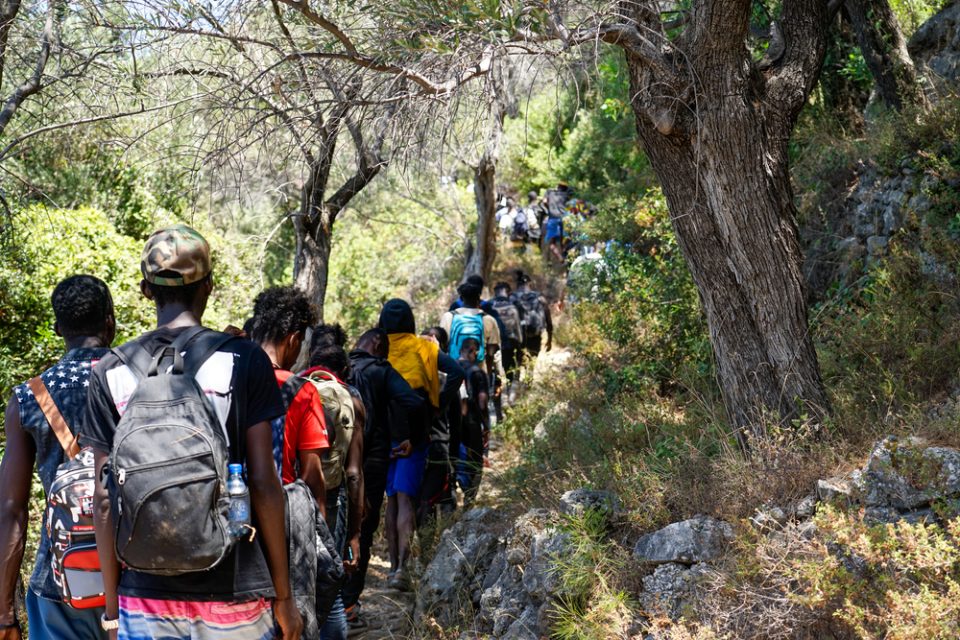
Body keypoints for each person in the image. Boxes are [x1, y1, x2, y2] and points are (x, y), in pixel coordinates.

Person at [80, 225, 301, 640]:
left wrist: (112, 609)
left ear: (146, 289)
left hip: (143, 593)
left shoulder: (110, 370)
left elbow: (104, 500)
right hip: (234, 588)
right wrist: (284, 596)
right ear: (209, 287)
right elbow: (264, 483)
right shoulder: (244, 359)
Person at [0, 275, 116, 640]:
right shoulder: (140, 380)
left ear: (57, 328)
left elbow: (11, 510)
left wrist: (4, 612)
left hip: (60, 582)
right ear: (110, 322)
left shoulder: (29, 397)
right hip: (136, 577)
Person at [341, 329, 425, 631]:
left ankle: (328, 607)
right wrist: (409, 436)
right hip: (372, 461)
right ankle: (349, 607)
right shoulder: (382, 371)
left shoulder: (340, 364)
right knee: (362, 529)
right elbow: (414, 402)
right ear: (377, 345)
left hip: (332, 460)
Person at [302, 328, 365, 640]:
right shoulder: (351, 401)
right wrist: (354, 533)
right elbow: (353, 473)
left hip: (295, 498)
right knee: (331, 583)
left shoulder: (295, 389)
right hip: (332, 497)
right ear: (344, 371)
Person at [247, 287, 329, 511]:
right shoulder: (302, 391)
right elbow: (312, 474)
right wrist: (319, 521)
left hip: (228, 507)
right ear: (293, 339)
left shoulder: (231, 373)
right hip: (279, 508)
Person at [377, 299, 438, 590]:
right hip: (412, 436)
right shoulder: (425, 347)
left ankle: (392, 568)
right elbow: (434, 391)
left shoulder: (377, 347)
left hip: (384, 435)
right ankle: (403, 568)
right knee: (404, 500)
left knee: (391, 500)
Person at [456, 338, 489, 504]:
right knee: (476, 459)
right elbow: (482, 401)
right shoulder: (477, 372)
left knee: (456, 457)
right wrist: (486, 425)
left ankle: (459, 489)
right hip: (472, 422)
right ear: (472, 351)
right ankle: (470, 497)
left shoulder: (449, 367)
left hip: (452, 424)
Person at [513, 271, 553, 361]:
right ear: (529, 284)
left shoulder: (512, 298)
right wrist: (549, 340)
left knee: (518, 363)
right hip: (535, 335)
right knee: (532, 361)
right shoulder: (540, 298)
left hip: (518, 337)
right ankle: (530, 370)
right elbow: (549, 321)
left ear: (517, 285)